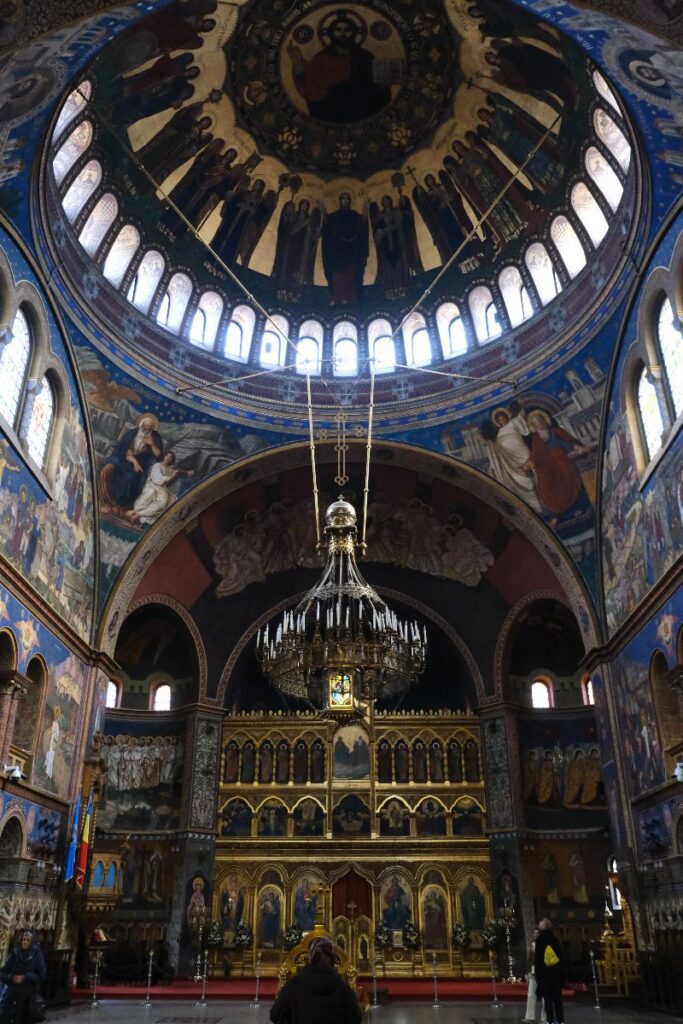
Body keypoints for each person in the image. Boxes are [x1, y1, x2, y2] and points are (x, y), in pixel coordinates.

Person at [269, 936, 362, 1024]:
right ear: (333, 959)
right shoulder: (343, 989)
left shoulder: (294, 985)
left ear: (310, 957)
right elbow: (356, 1018)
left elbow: (275, 1015)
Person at [0, 930, 46, 1024]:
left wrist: (25, 977)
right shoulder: (14, 954)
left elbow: (41, 976)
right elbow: (3, 972)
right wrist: (11, 977)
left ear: (32, 942)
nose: (25, 942)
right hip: (10, 998)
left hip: (27, 1000)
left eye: (28, 940)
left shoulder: (37, 956)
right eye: (24, 939)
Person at [534, 918, 565, 1024]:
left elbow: (538, 959)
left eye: (541, 923)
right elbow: (560, 956)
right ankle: (561, 1019)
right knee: (557, 998)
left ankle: (550, 1020)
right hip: (555, 973)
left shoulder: (540, 940)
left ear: (543, 927)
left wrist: (537, 975)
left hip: (544, 973)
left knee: (548, 998)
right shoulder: (554, 939)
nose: (539, 924)